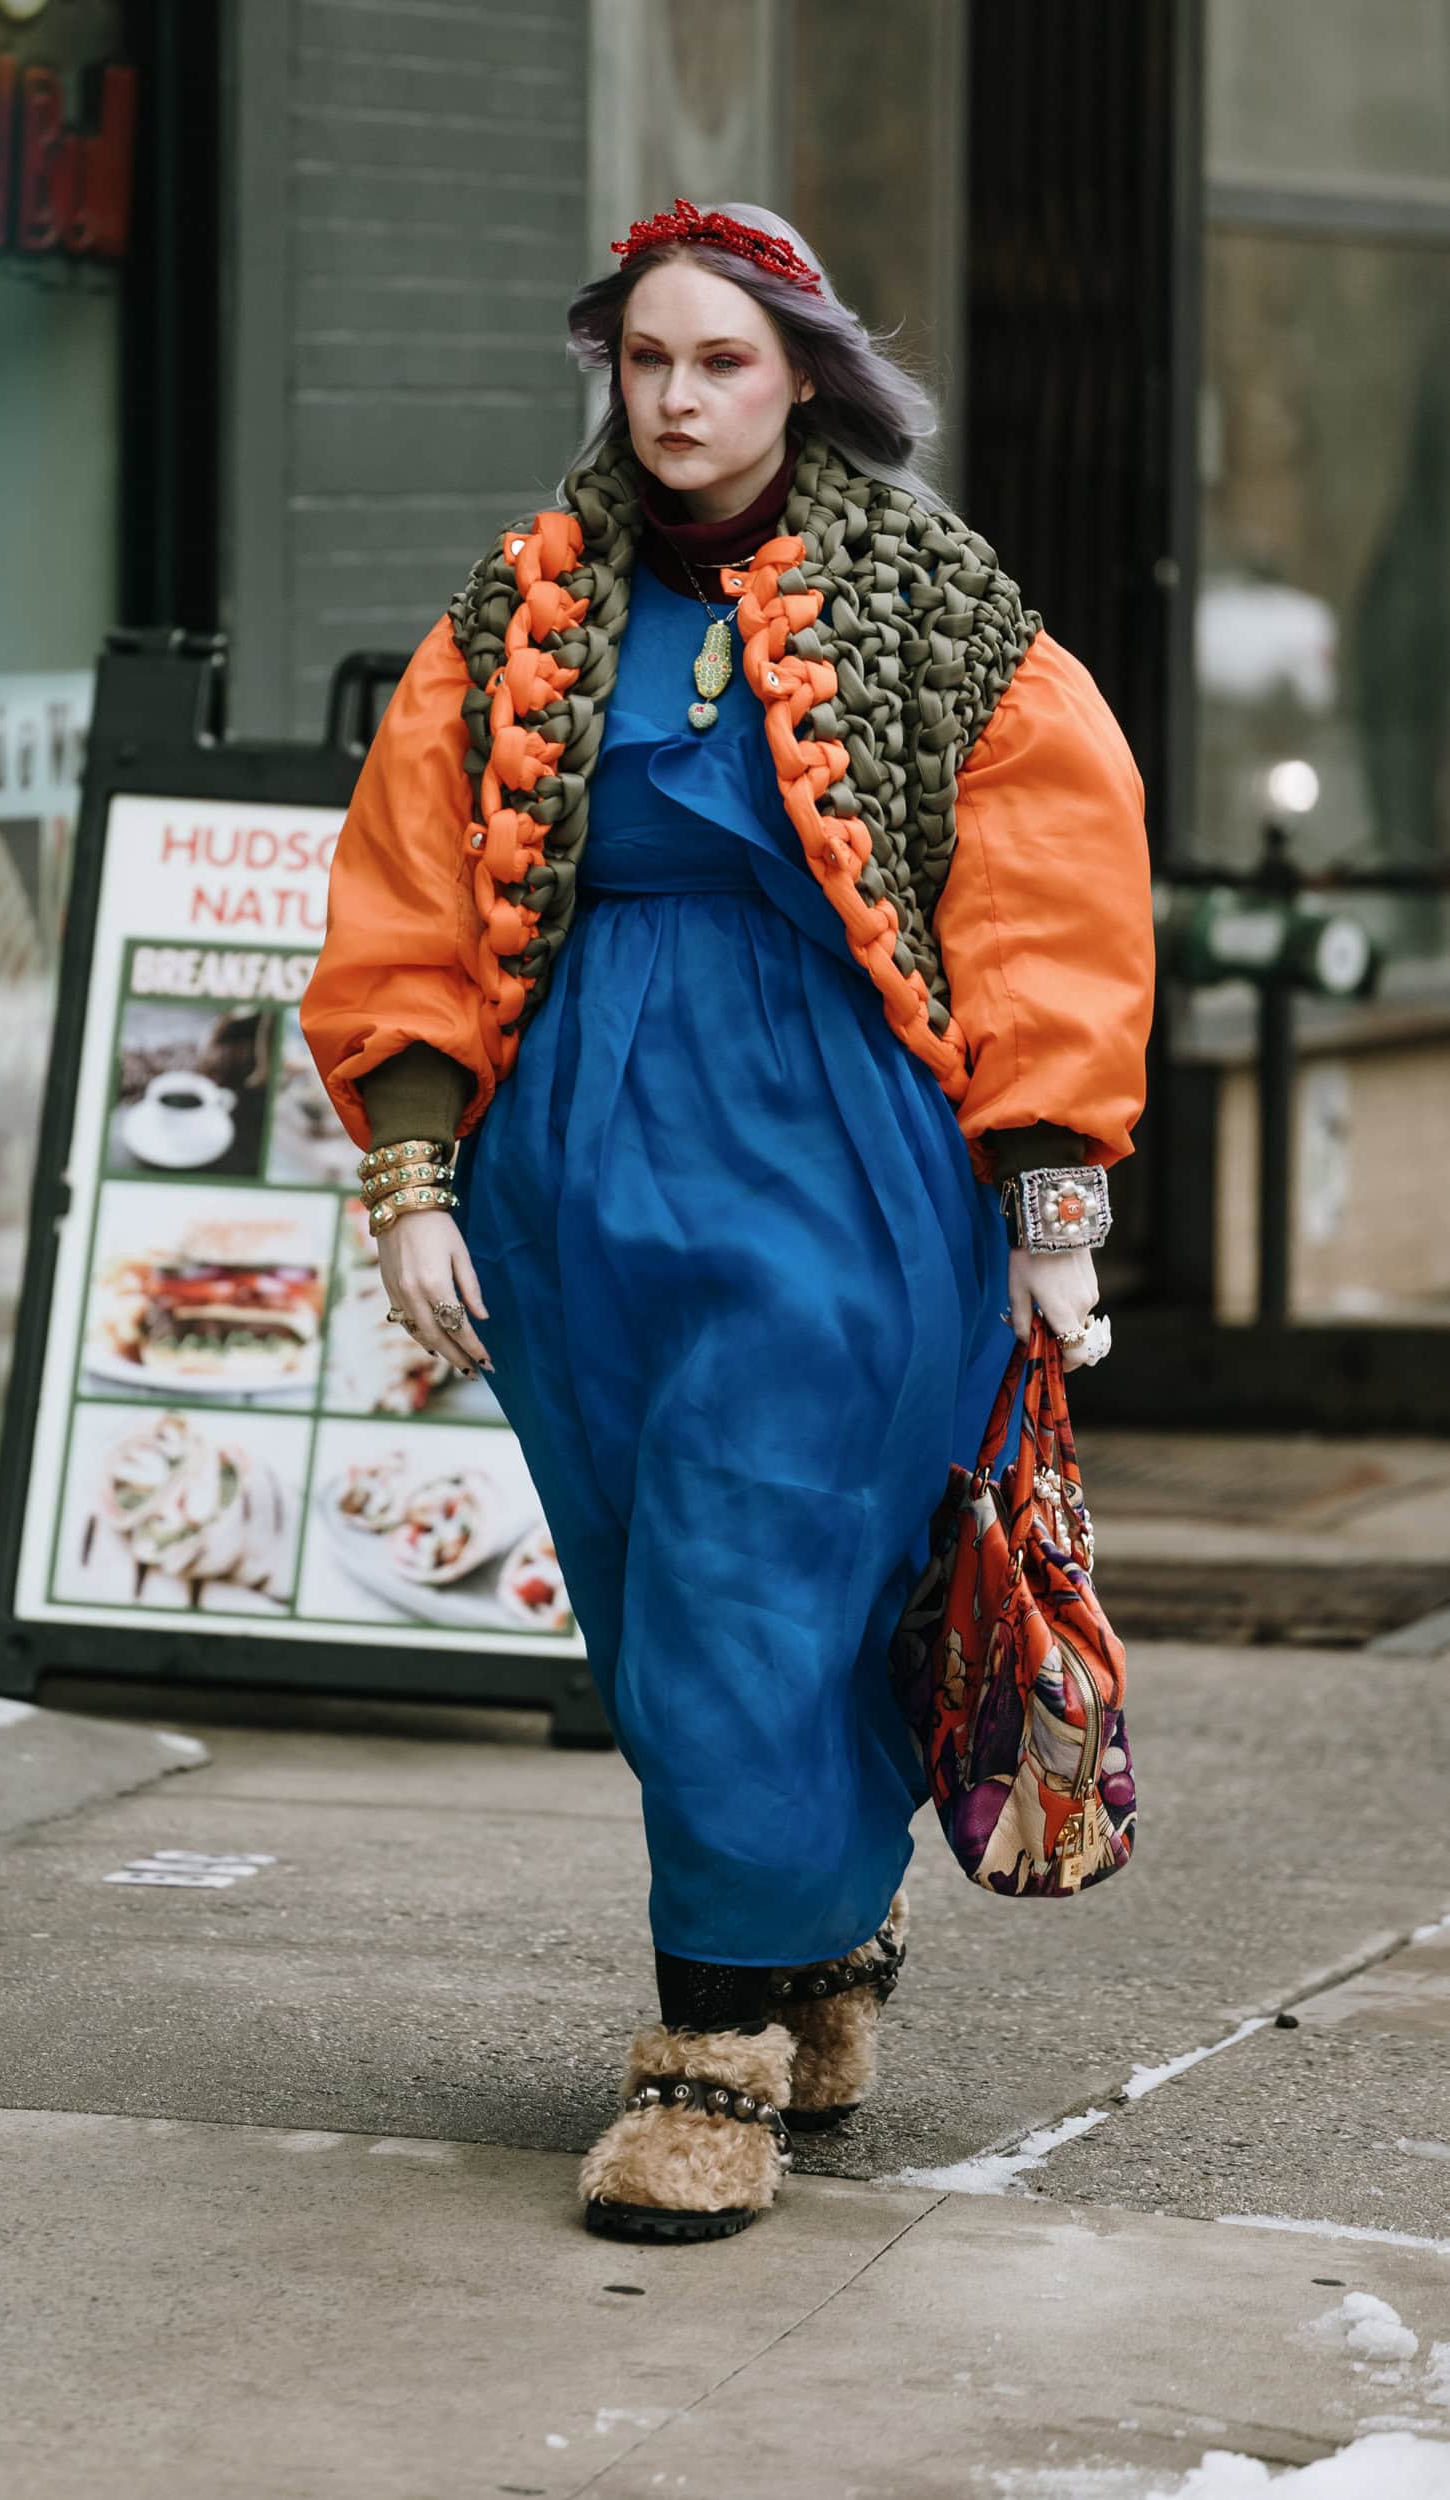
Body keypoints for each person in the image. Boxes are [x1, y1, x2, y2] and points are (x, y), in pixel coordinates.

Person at [300, 199, 1154, 2245]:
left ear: (802, 377)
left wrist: (1054, 1198)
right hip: (573, 1165)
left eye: (723, 362)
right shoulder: (511, 614)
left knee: (743, 1568)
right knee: (654, 1583)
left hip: (843, 1164)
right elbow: (406, 885)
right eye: (647, 361)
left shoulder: (944, 611)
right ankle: (820, 1942)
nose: (678, 400)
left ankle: (713, 2062)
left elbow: (1049, 899)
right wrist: (413, 1174)